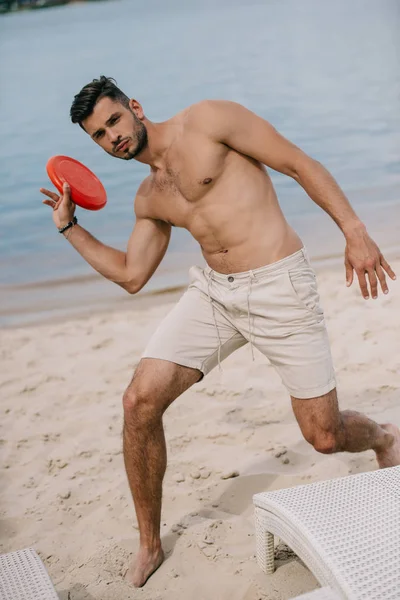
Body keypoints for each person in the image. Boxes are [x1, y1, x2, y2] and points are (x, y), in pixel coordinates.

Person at [41, 76, 400, 587]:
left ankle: (385, 436)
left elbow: (299, 162)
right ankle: (149, 542)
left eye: (114, 120)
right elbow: (131, 275)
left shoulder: (209, 120)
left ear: (135, 107)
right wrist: (69, 226)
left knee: (323, 436)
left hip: (280, 286)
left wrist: (354, 230)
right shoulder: (149, 197)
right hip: (215, 295)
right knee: (138, 402)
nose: (112, 137)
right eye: (99, 135)